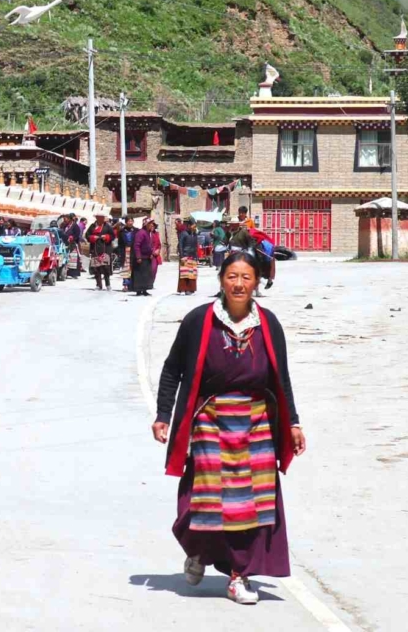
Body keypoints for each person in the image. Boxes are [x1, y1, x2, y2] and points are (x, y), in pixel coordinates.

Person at [152, 250, 306, 605]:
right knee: (205, 499)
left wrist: (293, 423)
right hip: (210, 419)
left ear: (257, 282)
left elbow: (281, 377)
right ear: (221, 280)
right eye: (232, 276)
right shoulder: (199, 320)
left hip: (257, 422)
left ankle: (239, 576)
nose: (239, 284)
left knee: (251, 504)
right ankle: (198, 548)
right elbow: (173, 369)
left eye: (246, 277)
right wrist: (163, 415)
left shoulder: (268, 323)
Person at [86, 213, 115, 290]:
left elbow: (113, 236)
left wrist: (107, 237)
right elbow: (87, 235)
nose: (101, 219)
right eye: (99, 217)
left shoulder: (107, 226)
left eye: (102, 217)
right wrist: (92, 238)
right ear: (96, 218)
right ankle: (98, 284)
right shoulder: (92, 226)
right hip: (95, 249)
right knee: (96, 268)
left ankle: (108, 284)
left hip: (105, 249)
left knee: (106, 267)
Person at [132, 219, 156, 297]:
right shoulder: (141, 233)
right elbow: (137, 245)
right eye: (150, 223)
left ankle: (145, 290)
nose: (152, 225)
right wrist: (138, 257)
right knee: (139, 274)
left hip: (147, 257)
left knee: (146, 275)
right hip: (141, 258)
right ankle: (139, 290)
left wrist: (151, 253)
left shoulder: (148, 233)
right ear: (146, 225)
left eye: (152, 224)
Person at [178, 219, 200, 295]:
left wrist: (196, 256)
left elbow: (196, 245)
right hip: (185, 255)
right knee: (185, 273)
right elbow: (180, 245)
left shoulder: (194, 234)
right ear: (189, 225)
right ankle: (184, 289)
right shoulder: (183, 233)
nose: (194, 227)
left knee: (192, 273)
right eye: (193, 225)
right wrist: (182, 255)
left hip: (193, 255)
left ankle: (191, 289)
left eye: (195, 226)